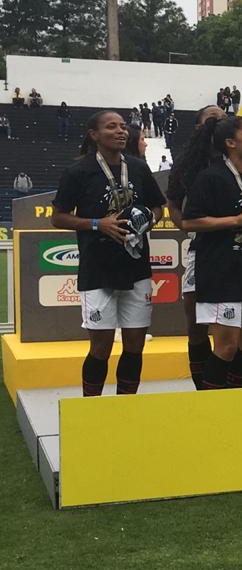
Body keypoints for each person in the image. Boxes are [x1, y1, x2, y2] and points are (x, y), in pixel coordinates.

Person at [51, 111, 165, 396]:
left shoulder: (138, 168)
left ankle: (125, 406)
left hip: (136, 268)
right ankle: (92, 407)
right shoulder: (79, 171)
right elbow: (58, 217)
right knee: (100, 347)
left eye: (123, 126)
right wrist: (96, 224)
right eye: (111, 126)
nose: (120, 131)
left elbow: (158, 208)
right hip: (97, 270)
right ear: (94, 134)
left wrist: (145, 222)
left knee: (135, 345)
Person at [181, 117, 242, 388]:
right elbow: (190, 221)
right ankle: (210, 407)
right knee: (226, 347)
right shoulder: (211, 177)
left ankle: (233, 402)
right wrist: (236, 220)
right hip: (222, 272)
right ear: (231, 143)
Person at [168, 104, 226, 388]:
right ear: (198, 128)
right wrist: (188, 227)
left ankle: (227, 388)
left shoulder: (241, 157)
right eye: (213, 119)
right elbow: (174, 204)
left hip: (238, 254)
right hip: (202, 252)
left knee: (234, 330)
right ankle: (202, 388)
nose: (219, 124)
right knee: (196, 325)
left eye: (224, 120)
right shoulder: (187, 164)